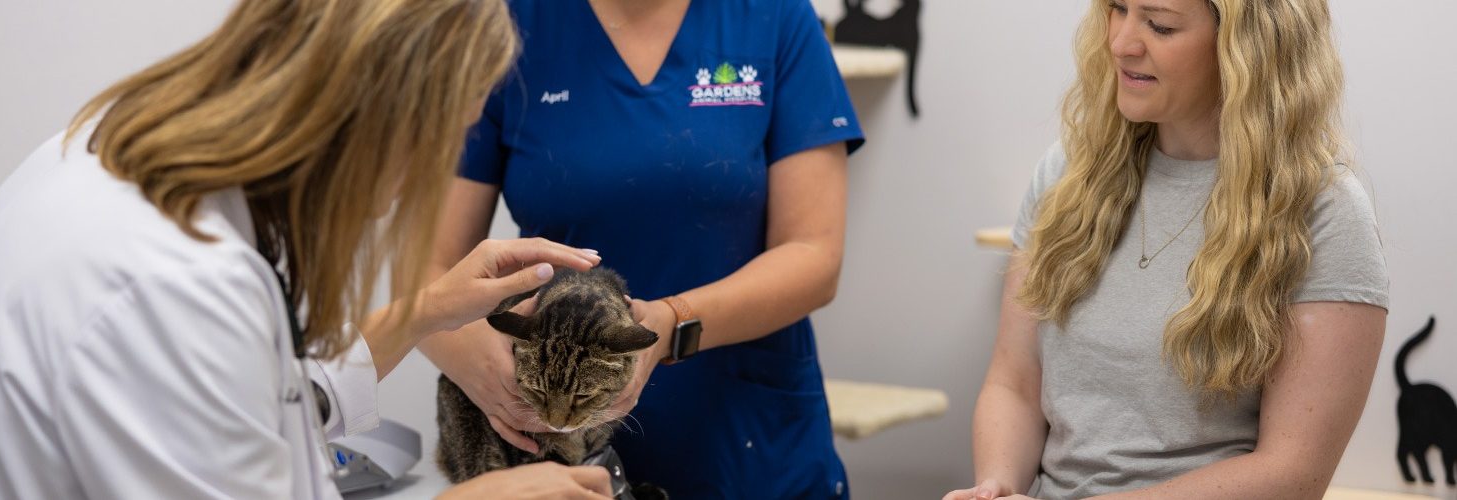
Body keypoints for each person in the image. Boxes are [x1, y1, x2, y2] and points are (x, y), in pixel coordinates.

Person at [0, 1, 613, 498]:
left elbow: (258, 402)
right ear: (381, 105)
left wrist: (423, 311)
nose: (429, 171)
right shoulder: (171, 286)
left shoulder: (109, 149)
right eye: (445, 132)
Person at [418, 0, 866, 497]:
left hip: (746, 437)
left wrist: (673, 323)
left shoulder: (772, 16)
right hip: (555, 440)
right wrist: (471, 355)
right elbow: (427, 271)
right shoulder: (508, 23)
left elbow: (814, 255)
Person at [945, 0, 1388, 498]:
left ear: (1246, 47)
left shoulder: (1323, 213)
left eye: (1160, 25)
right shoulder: (1068, 173)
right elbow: (1015, 383)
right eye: (1117, 9)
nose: (1121, 44)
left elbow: (1291, 474)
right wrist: (997, 486)